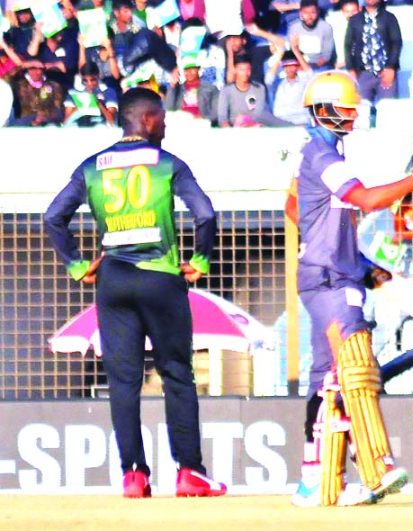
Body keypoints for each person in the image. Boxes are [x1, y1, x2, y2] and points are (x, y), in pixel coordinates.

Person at [43, 88, 226, 498]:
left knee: (122, 380)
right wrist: (200, 261)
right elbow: (206, 213)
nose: (166, 123)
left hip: (114, 280)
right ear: (145, 119)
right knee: (177, 374)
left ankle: (133, 476)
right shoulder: (167, 163)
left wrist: (76, 265)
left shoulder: (92, 166)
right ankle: (190, 473)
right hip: (161, 277)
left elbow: (54, 217)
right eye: (161, 116)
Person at [291, 70, 413, 507]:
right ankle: (375, 464)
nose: (351, 114)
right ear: (322, 109)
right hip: (329, 279)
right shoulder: (322, 155)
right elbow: (365, 200)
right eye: (344, 108)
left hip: (333, 272)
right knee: (356, 365)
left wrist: (400, 289)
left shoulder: (324, 153)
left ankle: (317, 479)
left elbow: (294, 204)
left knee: (329, 378)